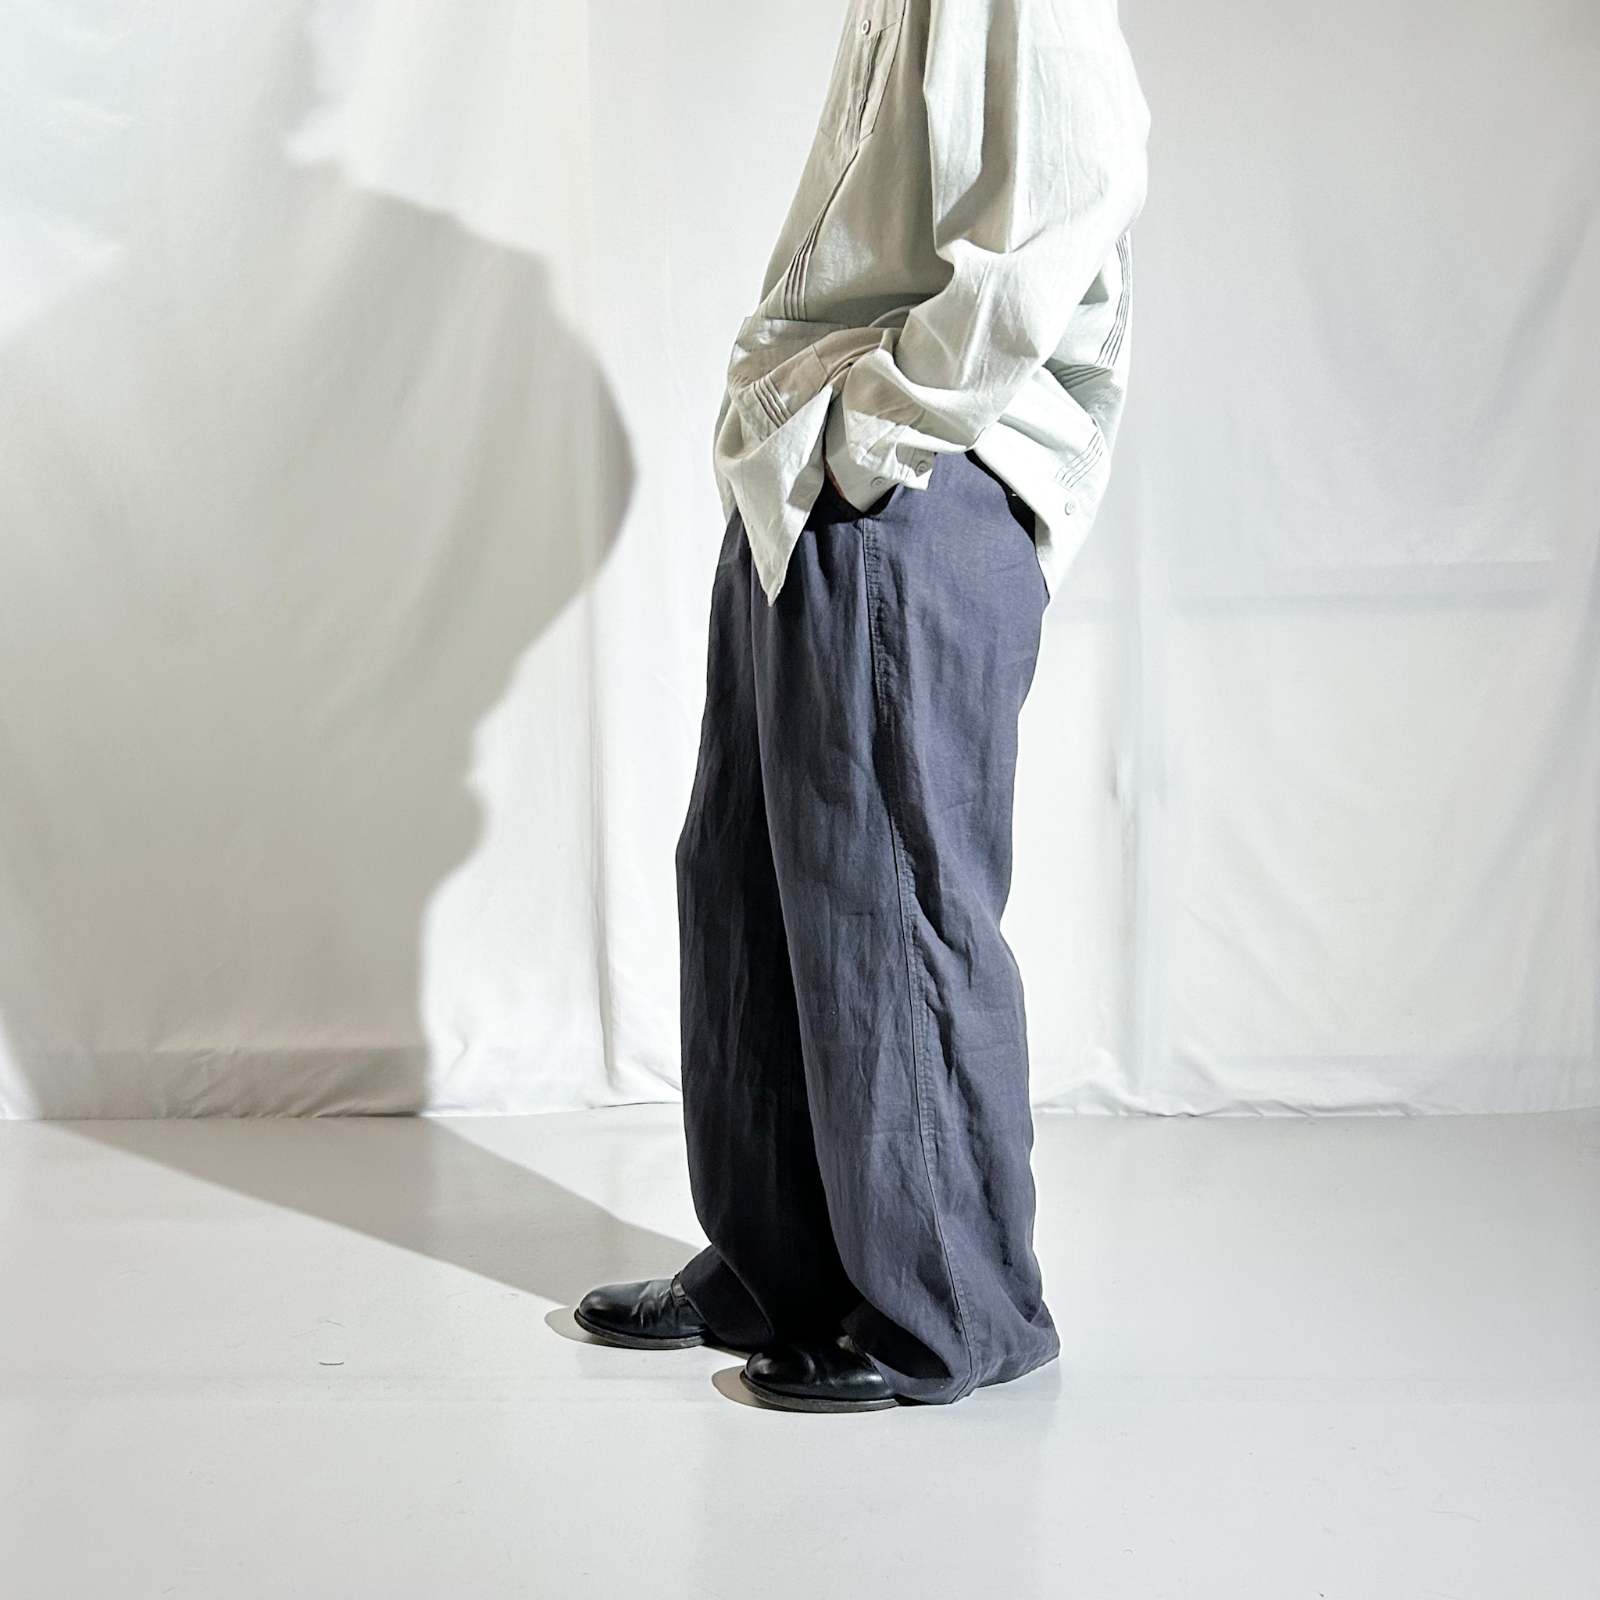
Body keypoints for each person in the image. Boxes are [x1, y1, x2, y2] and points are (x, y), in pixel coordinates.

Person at [577, 0, 1150, 1412]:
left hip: (909, 484)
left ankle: (950, 1309)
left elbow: (1077, 184)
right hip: (803, 476)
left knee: (891, 897)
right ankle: (778, 1266)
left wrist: (878, 433)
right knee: (749, 884)